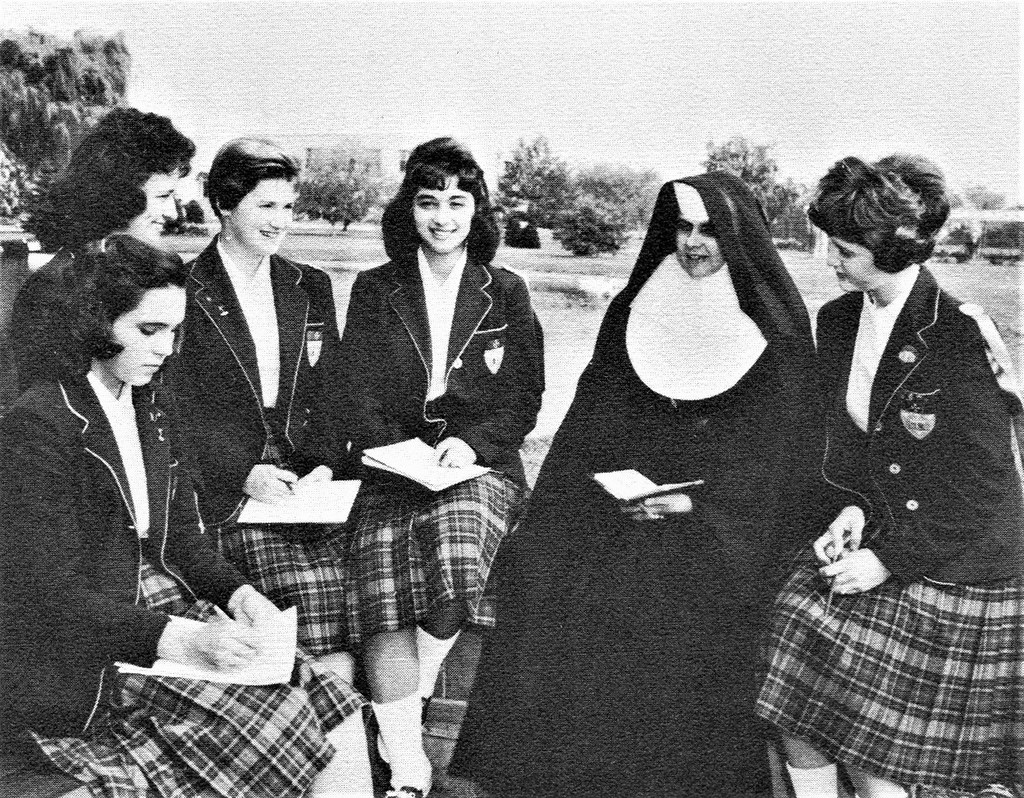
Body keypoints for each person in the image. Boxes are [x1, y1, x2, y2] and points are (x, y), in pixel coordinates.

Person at [450, 171, 821, 798]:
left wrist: (695, 502)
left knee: (676, 606)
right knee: (551, 578)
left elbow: (784, 455)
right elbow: (589, 423)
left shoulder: (774, 325)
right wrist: (596, 496)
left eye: (710, 230)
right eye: (683, 227)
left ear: (738, 236)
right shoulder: (635, 306)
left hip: (723, 522)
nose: (694, 243)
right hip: (619, 508)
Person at [0, 234, 374, 797]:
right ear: (94, 324)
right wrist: (183, 640)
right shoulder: (41, 424)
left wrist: (240, 597)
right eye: (149, 330)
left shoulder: (151, 404)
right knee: (279, 718)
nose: (167, 349)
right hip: (89, 646)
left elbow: (182, 541)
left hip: (163, 608)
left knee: (333, 702)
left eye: (174, 331)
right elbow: (48, 593)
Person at [755, 155, 1024, 798]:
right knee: (790, 643)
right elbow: (852, 449)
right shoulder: (838, 321)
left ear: (897, 249)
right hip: (884, 536)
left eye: (845, 250)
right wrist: (851, 510)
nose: (830, 260)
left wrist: (886, 560)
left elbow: (990, 496)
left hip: (960, 561)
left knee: (862, 717)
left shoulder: (959, 333)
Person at [336, 137, 545, 798]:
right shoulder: (376, 288)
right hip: (391, 467)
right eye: (428, 202)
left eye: (457, 203)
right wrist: (395, 452)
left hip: (477, 469)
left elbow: (524, 396)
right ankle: (407, 761)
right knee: (384, 593)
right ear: (410, 209)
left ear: (477, 211)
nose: (442, 217)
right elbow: (354, 391)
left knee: (454, 568)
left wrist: (473, 444)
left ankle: (411, 695)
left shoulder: (506, 291)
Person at [168, 138, 352, 664]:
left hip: (307, 485)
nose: (280, 222)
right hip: (224, 487)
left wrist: (324, 464)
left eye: (288, 207)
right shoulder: (183, 288)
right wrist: (241, 473)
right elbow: (171, 411)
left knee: (362, 583)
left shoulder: (310, 285)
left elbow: (331, 392)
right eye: (266, 205)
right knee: (308, 597)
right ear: (225, 204)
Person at [13, 107, 195, 391]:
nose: (172, 213)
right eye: (162, 196)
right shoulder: (53, 291)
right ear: (120, 195)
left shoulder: (143, 273)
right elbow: (48, 407)